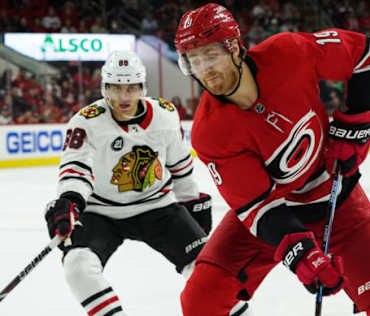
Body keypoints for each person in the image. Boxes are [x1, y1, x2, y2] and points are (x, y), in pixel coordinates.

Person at [175, 3, 370, 316]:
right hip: (272, 215)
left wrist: (354, 125)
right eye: (195, 59)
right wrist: (300, 254)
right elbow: (259, 209)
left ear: (234, 47)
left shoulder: (288, 53)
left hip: (339, 203)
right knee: (200, 300)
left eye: (211, 55)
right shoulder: (209, 132)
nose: (204, 69)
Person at [44, 50, 248, 316]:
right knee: (77, 266)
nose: (124, 96)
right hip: (102, 212)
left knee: (209, 271)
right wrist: (69, 200)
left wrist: (190, 199)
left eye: (131, 88)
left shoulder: (164, 115)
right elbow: (76, 168)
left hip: (159, 208)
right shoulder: (86, 121)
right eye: (116, 88)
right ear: (105, 88)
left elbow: (180, 164)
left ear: (142, 87)